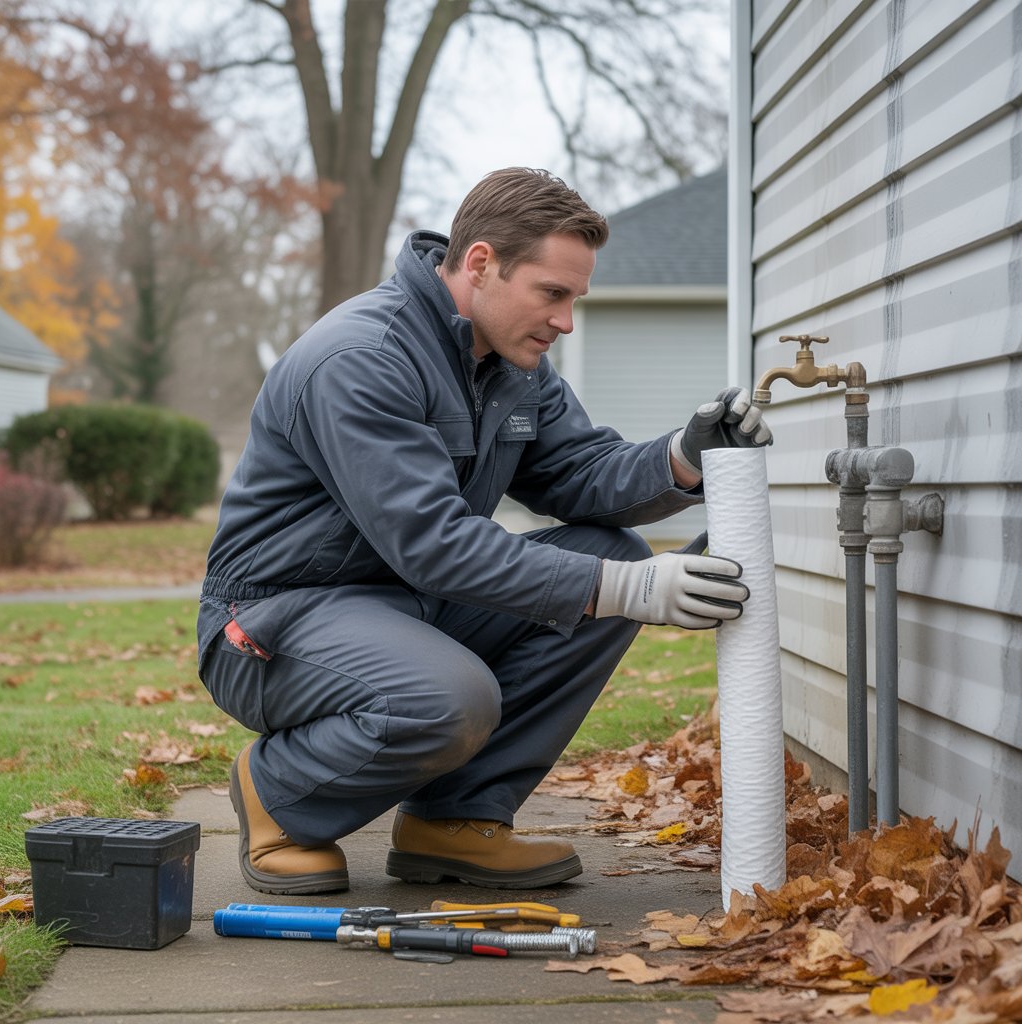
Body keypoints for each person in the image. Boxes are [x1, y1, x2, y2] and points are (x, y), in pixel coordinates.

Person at [196, 167, 771, 896]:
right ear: (481, 264)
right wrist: (635, 590)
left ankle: (454, 819)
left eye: (575, 299)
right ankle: (279, 794)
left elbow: (578, 473)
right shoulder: (362, 360)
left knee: (605, 552)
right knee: (452, 694)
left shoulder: (510, 362)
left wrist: (683, 458)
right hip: (277, 621)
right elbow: (432, 542)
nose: (565, 320)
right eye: (553, 294)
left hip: (406, 604)